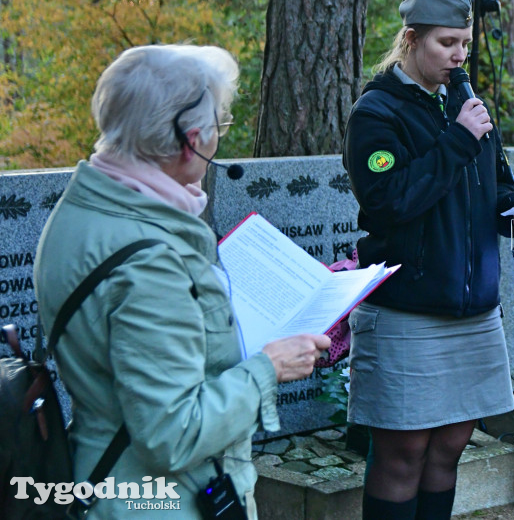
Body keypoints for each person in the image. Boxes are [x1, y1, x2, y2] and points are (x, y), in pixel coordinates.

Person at [34, 45, 331, 518]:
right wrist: (267, 369)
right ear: (192, 140)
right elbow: (172, 435)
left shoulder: (87, 206)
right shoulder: (150, 262)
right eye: (219, 128)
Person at [343, 0, 514, 520]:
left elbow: (495, 185)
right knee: (403, 452)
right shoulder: (377, 113)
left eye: (465, 45)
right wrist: (457, 139)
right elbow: (388, 202)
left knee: (450, 447)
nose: (458, 56)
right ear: (411, 39)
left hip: (472, 310)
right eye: (447, 43)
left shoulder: (467, 105)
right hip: (408, 310)